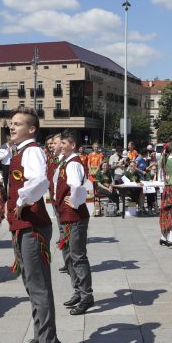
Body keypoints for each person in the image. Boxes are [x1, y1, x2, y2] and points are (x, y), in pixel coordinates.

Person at [7, 108, 62, 343]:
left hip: (32, 227)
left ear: (31, 129)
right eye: (11, 123)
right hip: (23, 226)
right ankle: (42, 335)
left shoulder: (31, 151)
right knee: (31, 284)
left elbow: (40, 179)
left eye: (17, 124)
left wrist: (22, 199)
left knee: (38, 286)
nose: (12, 127)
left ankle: (48, 342)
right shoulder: (21, 152)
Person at [53, 130, 93, 316]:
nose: (60, 145)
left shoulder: (73, 164)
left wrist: (75, 201)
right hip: (67, 214)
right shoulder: (66, 162)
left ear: (72, 145)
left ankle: (86, 296)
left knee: (77, 256)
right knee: (69, 254)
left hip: (74, 216)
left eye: (63, 143)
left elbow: (77, 185)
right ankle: (78, 291)